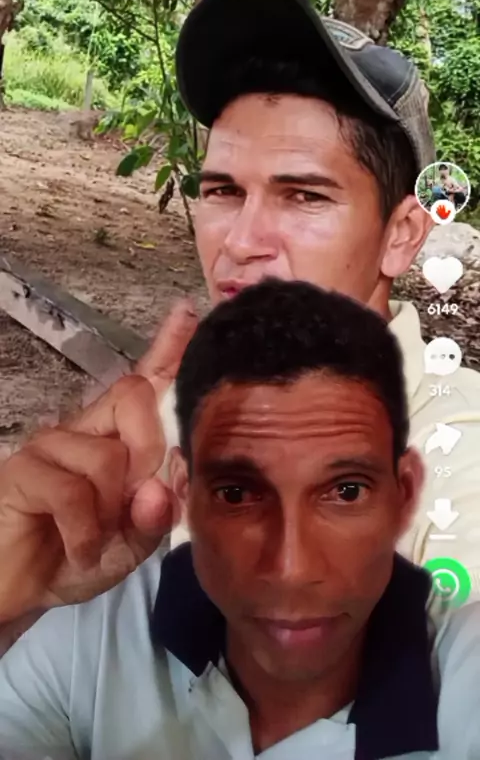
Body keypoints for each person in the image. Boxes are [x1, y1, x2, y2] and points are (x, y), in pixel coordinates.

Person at [1, 0, 480, 649]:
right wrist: (15, 593)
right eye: (224, 191)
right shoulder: (154, 433)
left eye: (305, 196)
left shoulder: (457, 463)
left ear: (401, 235)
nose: (241, 242)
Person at [1, 279, 480, 759]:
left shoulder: (457, 664)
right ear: (184, 490)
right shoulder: (99, 628)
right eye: (238, 494)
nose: (292, 569)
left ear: (404, 494)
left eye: (345, 492)